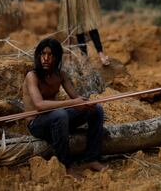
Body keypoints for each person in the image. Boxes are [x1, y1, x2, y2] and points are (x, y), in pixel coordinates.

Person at [23, 37, 106, 171]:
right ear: (38, 56)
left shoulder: (61, 75)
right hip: (37, 124)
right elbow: (40, 105)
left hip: (56, 120)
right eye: (43, 54)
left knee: (96, 109)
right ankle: (65, 165)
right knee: (60, 114)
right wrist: (74, 102)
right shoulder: (32, 76)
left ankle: (92, 159)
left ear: (57, 58)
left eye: (50, 55)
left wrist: (86, 103)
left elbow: (76, 98)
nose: (45, 58)